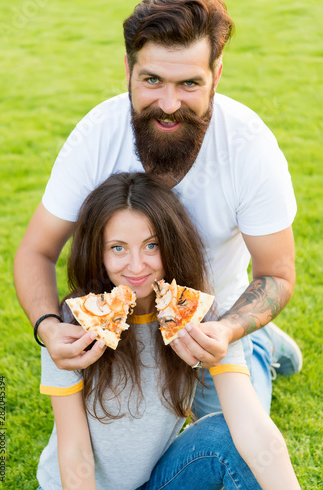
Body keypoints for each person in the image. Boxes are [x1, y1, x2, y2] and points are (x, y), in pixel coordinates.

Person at [14, 0, 302, 420]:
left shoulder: (250, 146)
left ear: (217, 76)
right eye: (152, 81)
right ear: (128, 70)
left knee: (231, 436)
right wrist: (48, 327)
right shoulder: (96, 135)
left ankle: (258, 341)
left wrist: (228, 328)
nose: (169, 105)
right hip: (118, 329)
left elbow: (276, 274)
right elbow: (36, 251)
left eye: (189, 83)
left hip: (209, 321)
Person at [37, 172, 300, 490]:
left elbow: (254, 429)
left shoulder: (199, 315)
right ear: (98, 253)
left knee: (226, 433)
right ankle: (262, 341)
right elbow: (75, 452)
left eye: (151, 245)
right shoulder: (70, 327)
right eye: (118, 248)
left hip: (156, 482)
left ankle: (259, 341)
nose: (136, 266)